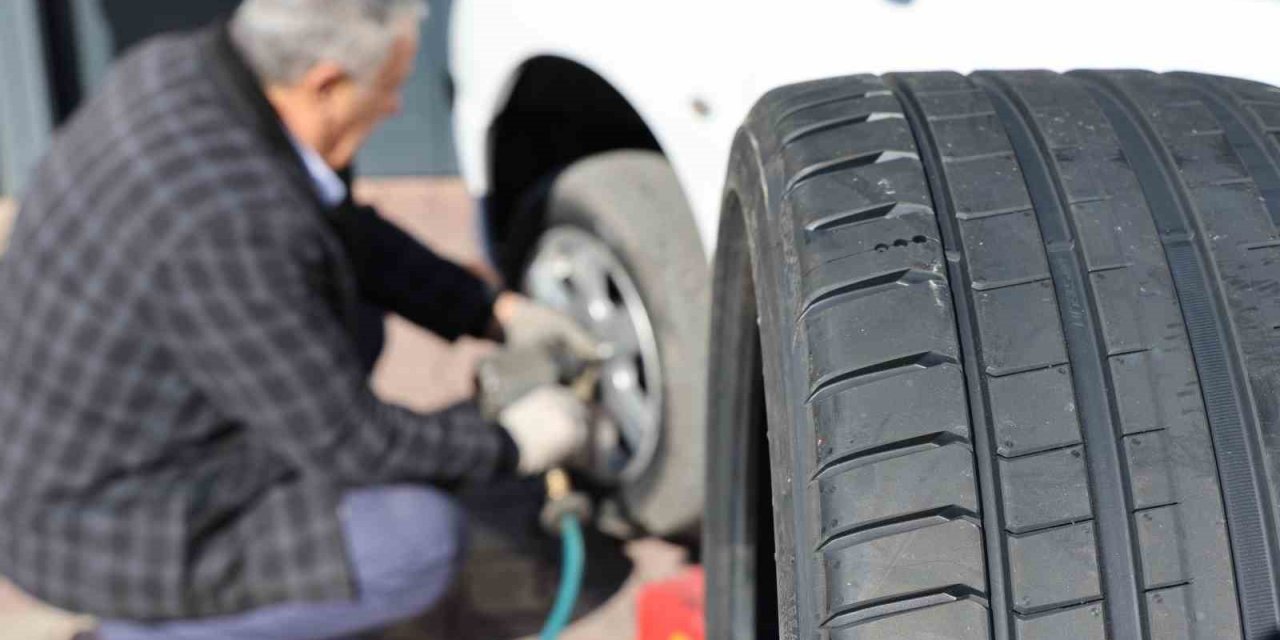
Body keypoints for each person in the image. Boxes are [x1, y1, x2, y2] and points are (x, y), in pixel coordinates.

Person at [0, 1, 598, 638]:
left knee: (346, 311)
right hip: (96, 522)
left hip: (71, 434)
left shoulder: (180, 73)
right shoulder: (230, 224)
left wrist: (493, 313)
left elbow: (340, 227)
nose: (397, 106)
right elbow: (357, 445)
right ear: (326, 83)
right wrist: (510, 443)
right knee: (412, 542)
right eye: (392, 85)